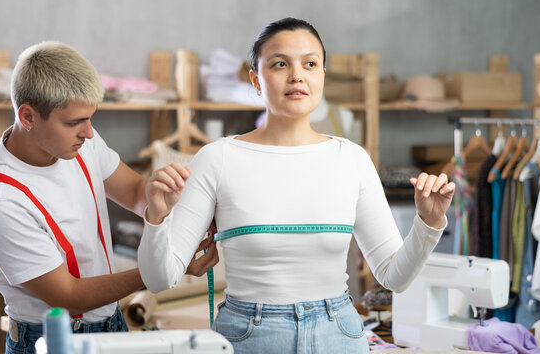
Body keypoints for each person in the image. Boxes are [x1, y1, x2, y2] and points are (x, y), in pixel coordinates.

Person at [138, 18, 456, 353]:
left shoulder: (352, 160)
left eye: (310, 64)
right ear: (255, 79)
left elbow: (394, 277)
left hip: (338, 334)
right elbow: (161, 280)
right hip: (248, 337)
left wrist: (428, 223)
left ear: (321, 75)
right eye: (279, 64)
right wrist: (156, 217)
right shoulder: (217, 159)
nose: (296, 75)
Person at [0, 41, 218, 354]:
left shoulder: (79, 140)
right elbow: (68, 295)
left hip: (112, 320)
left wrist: (161, 198)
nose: (88, 133)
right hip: (52, 339)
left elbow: (133, 192)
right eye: (74, 122)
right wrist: (166, 268)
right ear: (28, 117)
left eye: (90, 118)